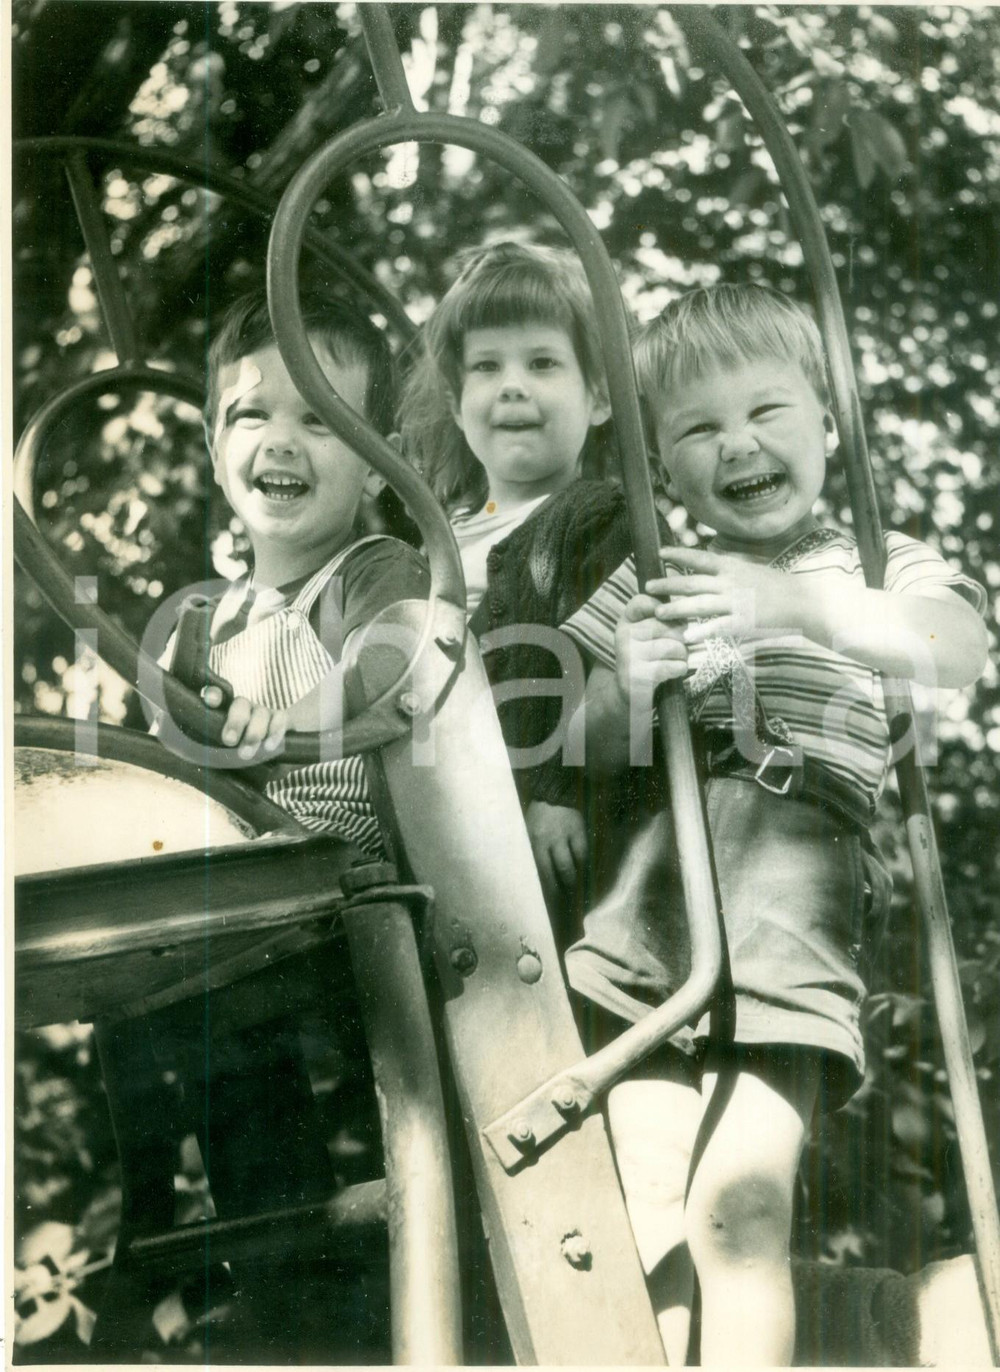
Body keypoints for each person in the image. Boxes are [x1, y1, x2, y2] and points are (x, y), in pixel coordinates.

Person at [559, 283, 988, 1366]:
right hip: (656, 883)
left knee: (736, 1204)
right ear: (664, 469)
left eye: (765, 412)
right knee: (646, 1199)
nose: (737, 443)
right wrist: (622, 687)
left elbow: (957, 646)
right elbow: (576, 741)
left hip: (795, 872)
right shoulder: (657, 572)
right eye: (699, 428)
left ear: (827, 428)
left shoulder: (871, 562)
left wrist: (795, 607)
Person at [400, 241, 633, 915]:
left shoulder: (600, 516)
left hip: (543, 831)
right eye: (487, 365)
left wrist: (563, 792)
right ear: (456, 402)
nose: (511, 385)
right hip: (440, 823)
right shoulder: (439, 536)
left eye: (542, 362)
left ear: (598, 397)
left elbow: (612, 674)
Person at [197, 287, 429, 853]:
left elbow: (395, 663)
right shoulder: (202, 624)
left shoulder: (375, 571)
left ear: (377, 465)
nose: (281, 442)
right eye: (253, 414)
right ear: (214, 449)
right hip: (225, 858)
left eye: (319, 419)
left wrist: (285, 724)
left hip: (339, 860)